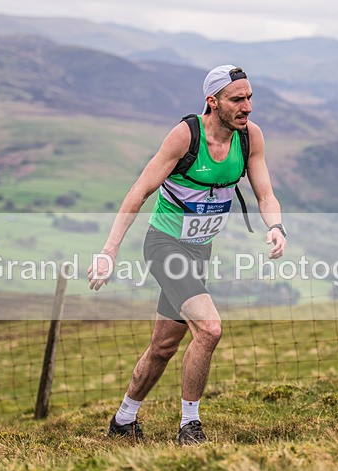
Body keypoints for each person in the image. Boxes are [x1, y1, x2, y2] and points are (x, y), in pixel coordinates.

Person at [87, 65, 286, 445]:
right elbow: (138, 192)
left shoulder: (250, 138)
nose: (247, 107)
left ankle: (123, 420)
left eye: (249, 98)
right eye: (237, 99)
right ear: (213, 102)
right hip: (164, 246)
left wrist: (275, 226)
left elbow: (265, 193)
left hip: (198, 252)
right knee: (210, 329)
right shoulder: (186, 136)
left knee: (163, 346)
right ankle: (189, 426)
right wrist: (108, 251)